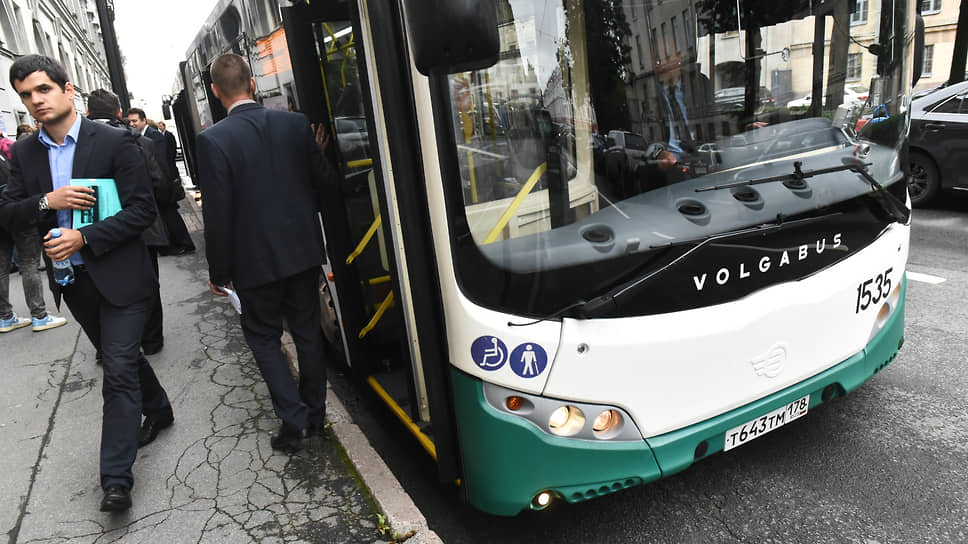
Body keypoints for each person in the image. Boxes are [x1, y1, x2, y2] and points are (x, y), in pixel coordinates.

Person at [0, 55, 173, 512]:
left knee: (116, 371)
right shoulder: (25, 153)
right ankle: (159, 409)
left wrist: (85, 237)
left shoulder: (114, 140)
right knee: (123, 359)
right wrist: (47, 201)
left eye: (43, 89)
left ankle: (116, 478)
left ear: (67, 89)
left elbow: (142, 210)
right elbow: (9, 213)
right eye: (25, 95)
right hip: (73, 281)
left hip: (123, 275)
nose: (35, 100)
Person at [196, 52, 333, 452]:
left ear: (216, 92)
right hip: (302, 252)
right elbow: (325, 183)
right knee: (307, 334)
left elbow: (218, 215)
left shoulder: (213, 140)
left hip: (253, 263)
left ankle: (294, 423)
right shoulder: (295, 124)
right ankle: (316, 416)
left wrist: (219, 272)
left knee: (263, 339)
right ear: (253, 84)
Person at [89, 90, 169, 355]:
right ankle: (152, 340)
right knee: (148, 282)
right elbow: (158, 181)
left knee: (106, 286)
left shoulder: (81, 145)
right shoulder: (139, 141)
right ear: (120, 112)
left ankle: (113, 345)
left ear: (88, 112)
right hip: (143, 226)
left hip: (100, 227)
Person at [0, 150, 67, 333]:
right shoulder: (6, 157)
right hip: (18, 214)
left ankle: (5, 316)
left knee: (3, 269)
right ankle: (39, 316)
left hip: (8, 214)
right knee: (29, 264)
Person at [128, 108, 195, 256]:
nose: (131, 124)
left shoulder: (154, 136)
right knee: (167, 215)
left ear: (144, 120)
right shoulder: (143, 136)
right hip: (159, 184)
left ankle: (185, 243)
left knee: (170, 214)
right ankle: (173, 244)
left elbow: (161, 161)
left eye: (135, 121)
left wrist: (163, 184)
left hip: (163, 184)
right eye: (130, 121)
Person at [157, 121, 179, 185]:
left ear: (164, 126)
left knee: (172, 165)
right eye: (159, 126)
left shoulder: (169, 134)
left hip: (170, 154)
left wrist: (173, 153)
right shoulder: (160, 134)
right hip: (166, 155)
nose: (160, 127)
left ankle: (176, 177)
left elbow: (173, 144)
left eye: (161, 126)